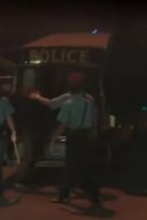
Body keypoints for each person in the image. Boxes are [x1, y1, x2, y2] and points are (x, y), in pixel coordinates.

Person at [47, 70, 101, 206]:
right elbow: (94, 118)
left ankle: (63, 195)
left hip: (74, 136)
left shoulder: (68, 103)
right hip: (86, 135)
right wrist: (94, 132)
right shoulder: (89, 100)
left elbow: (62, 125)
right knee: (87, 166)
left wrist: (53, 139)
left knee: (69, 166)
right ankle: (95, 196)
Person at [7, 82, 52, 189]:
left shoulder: (24, 103)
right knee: (29, 156)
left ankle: (22, 177)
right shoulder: (33, 104)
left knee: (28, 155)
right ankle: (20, 179)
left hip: (28, 131)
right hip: (31, 132)